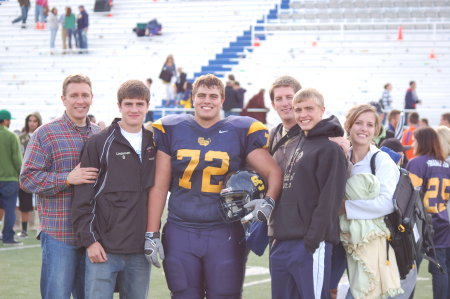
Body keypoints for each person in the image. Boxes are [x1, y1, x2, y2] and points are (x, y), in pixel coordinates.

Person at [145, 74, 282, 298]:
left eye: (213, 96)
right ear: (192, 98)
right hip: (181, 229)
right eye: (201, 95)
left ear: (222, 99)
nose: (206, 100)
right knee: (183, 294)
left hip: (223, 231)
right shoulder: (172, 128)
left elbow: (273, 171)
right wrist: (152, 232)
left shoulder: (240, 129)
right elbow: (159, 187)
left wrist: (269, 201)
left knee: (225, 295)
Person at [72, 80, 156, 299]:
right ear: (119, 106)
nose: (134, 109)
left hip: (140, 250)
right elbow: (83, 198)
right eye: (129, 104)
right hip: (104, 248)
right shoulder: (98, 143)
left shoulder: (155, 143)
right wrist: (90, 241)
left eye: (140, 104)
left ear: (147, 106)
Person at [20, 74, 101, 299]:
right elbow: (27, 179)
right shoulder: (45, 134)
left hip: (92, 236)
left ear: (92, 98)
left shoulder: (99, 134)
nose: (80, 100)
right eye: (74, 95)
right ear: (63, 99)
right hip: (59, 234)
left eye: (85, 95)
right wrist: (67, 178)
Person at [269, 88, 347, 299]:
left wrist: (312, 241)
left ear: (322, 110)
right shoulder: (295, 144)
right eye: (298, 109)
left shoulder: (330, 149)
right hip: (283, 241)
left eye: (309, 109)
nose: (303, 114)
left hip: (310, 244)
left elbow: (329, 201)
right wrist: (277, 235)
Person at [341, 104, 404, 298]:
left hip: (372, 242)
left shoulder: (381, 160)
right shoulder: (342, 157)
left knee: (367, 292)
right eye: (358, 123)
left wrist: (346, 207)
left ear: (376, 130)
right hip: (345, 238)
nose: (364, 129)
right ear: (349, 126)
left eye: (369, 125)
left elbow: (387, 203)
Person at [406, 127, 450, 299]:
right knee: (441, 269)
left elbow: (409, 197)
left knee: (409, 269)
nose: (412, 143)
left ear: (422, 141)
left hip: (421, 224)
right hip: (442, 222)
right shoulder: (446, 164)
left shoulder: (417, 163)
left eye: (415, 140)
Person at [17, 112, 42, 238]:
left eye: (35, 121)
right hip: (26, 174)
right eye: (30, 120)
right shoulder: (21, 138)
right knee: (25, 202)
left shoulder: (43, 136)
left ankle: (40, 228)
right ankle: (24, 229)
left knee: (42, 202)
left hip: (41, 173)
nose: (32, 123)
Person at [0, 109, 23, 246]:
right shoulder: (11, 136)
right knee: (9, 210)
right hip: (10, 180)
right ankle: (8, 237)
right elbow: (17, 160)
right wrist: (21, 175)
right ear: (6, 121)